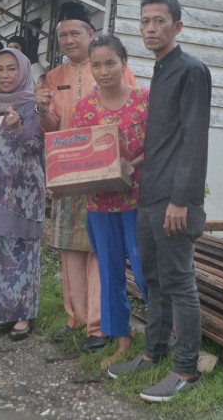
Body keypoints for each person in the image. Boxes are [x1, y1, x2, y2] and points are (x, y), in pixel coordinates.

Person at [107, 0, 211, 403]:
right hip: (149, 194)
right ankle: (153, 353)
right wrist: (133, 160)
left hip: (174, 200)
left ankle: (186, 370)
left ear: (177, 27)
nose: (151, 28)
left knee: (179, 283)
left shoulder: (190, 70)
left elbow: (193, 140)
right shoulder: (161, 71)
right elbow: (165, 140)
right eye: (145, 21)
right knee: (153, 279)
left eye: (159, 21)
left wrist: (182, 200)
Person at [37, 1, 135, 353]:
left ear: (90, 34)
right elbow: (49, 128)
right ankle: (75, 318)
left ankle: (99, 325)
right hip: (67, 173)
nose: (68, 39)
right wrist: (41, 110)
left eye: (75, 33)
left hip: (104, 175)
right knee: (69, 250)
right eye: (62, 35)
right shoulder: (53, 78)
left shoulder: (109, 68)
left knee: (100, 251)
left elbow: (130, 117)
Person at [71, 35, 149, 370]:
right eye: (96, 65)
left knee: (147, 271)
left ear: (124, 63)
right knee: (110, 273)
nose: (103, 71)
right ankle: (121, 340)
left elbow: (158, 146)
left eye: (110, 63)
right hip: (100, 205)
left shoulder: (144, 101)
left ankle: (164, 335)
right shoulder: (84, 109)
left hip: (138, 201)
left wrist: (132, 163)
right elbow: (78, 155)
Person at [0, 48, 44, 342]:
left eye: (11, 68)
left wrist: (17, 128)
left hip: (24, 192)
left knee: (23, 252)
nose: (4, 75)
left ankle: (24, 316)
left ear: (23, 71)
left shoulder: (32, 105)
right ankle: (4, 311)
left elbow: (35, 149)